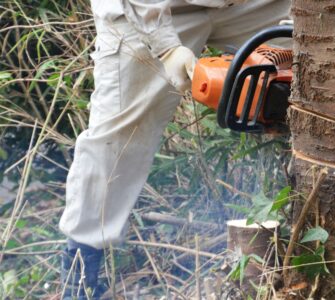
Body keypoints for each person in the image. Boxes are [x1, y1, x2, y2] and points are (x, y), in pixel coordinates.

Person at [59, 0, 291, 298]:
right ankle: (81, 273)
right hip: (149, 9)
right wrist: (167, 47)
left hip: (242, 5)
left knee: (313, 35)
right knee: (120, 136)